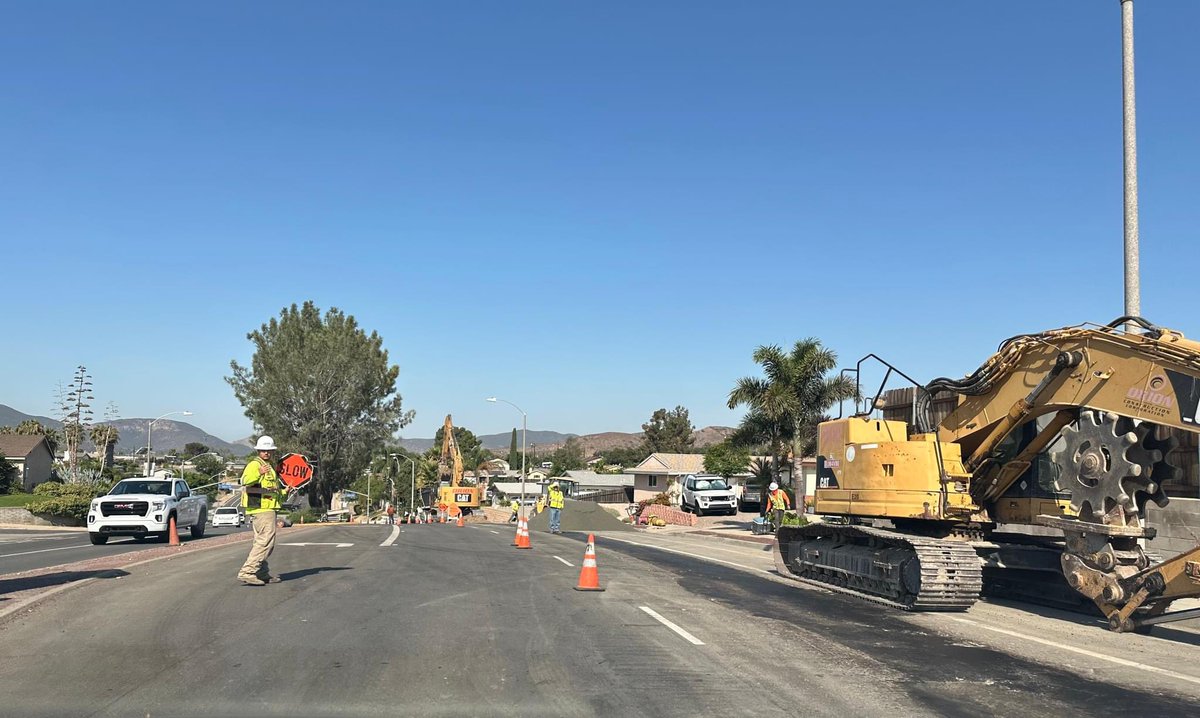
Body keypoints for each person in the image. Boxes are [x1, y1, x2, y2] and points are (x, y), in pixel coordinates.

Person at [236, 436, 290, 586]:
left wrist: (284, 492)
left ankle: (261, 572)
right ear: (258, 450)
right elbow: (244, 481)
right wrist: (258, 472)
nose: (266, 453)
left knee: (261, 541)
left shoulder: (269, 467)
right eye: (263, 450)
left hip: (267, 507)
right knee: (265, 542)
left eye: (269, 450)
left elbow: (271, 490)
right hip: (261, 508)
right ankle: (248, 571)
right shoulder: (255, 465)